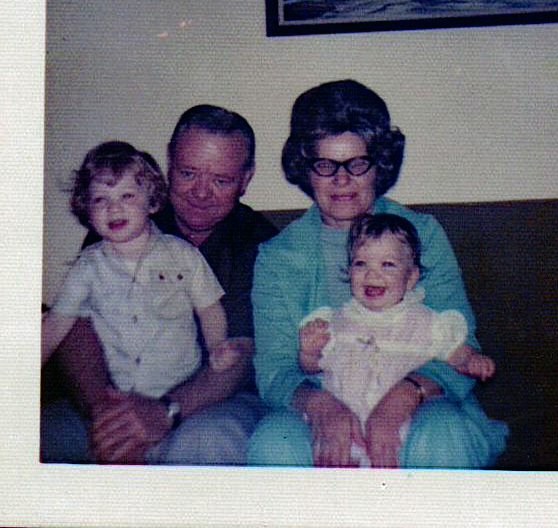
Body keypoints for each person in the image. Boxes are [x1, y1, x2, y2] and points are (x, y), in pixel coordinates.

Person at [247, 79, 508, 468]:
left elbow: (462, 344)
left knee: (444, 432)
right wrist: (321, 405)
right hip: (320, 401)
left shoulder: (423, 233)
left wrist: (405, 395)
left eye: (357, 164)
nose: (341, 180)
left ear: (379, 164)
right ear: (306, 169)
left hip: (424, 401)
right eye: (325, 165)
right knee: (274, 440)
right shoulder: (278, 256)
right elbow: (273, 371)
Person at [41, 105, 277, 464]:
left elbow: (240, 353)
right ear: (169, 163)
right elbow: (76, 328)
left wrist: (164, 411)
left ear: (246, 178)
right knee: (38, 435)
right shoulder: (121, 216)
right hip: (112, 397)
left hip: (215, 402)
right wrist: (109, 417)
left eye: (221, 180)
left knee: (205, 443)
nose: (201, 193)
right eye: (188, 173)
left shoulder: (259, 244)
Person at [298, 213, 497, 467]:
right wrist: (309, 352)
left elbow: (455, 353)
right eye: (361, 264)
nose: (372, 275)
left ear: (411, 277)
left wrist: (472, 359)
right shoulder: (334, 322)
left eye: (388, 265)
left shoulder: (427, 322)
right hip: (346, 437)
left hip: (403, 435)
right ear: (349, 271)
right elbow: (311, 368)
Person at [42, 141, 242, 386]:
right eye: (100, 200)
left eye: (127, 196)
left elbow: (209, 308)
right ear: (87, 210)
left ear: (152, 201)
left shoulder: (183, 254)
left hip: (182, 387)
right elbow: (57, 322)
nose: (114, 208)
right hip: (119, 392)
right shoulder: (86, 267)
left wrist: (217, 346)